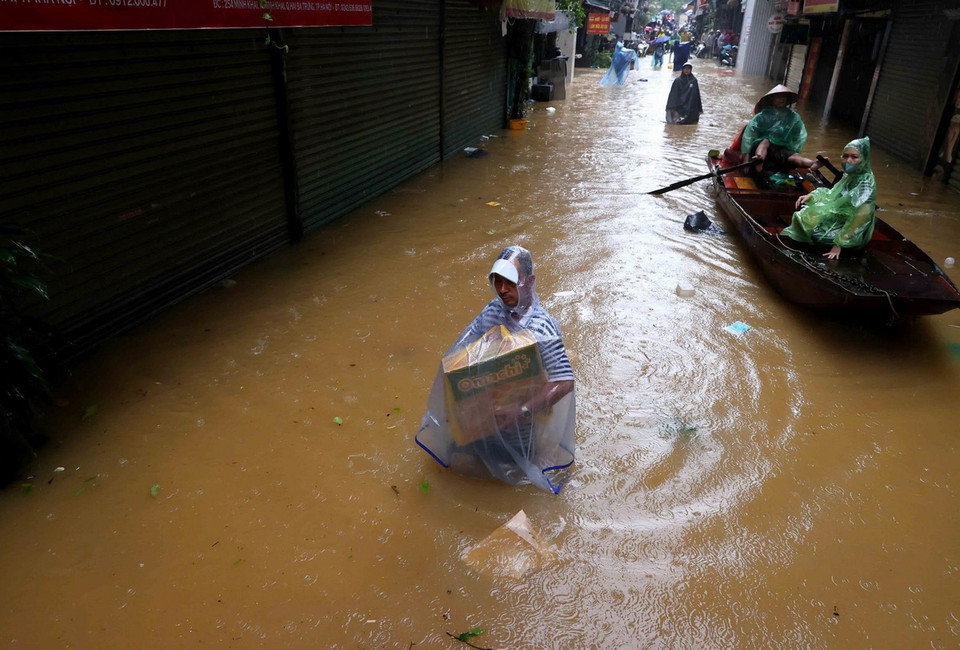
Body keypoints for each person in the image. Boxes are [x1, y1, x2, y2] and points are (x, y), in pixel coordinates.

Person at [415, 246, 576, 493]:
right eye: (497, 282)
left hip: (519, 429)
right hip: (480, 420)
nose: (502, 290)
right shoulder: (493, 311)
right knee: (458, 469)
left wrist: (522, 411)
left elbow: (564, 381)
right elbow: (462, 355)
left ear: (529, 281)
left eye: (510, 282)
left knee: (509, 482)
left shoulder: (543, 328)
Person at [780, 137, 877, 260]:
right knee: (804, 216)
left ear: (864, 159)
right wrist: (812, 196)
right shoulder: (850, 176)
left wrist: (839, 244)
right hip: (839, 217)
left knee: (814, 233)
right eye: (845, 156)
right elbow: (832, 194)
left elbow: (860, 218)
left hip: (850, 231)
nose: (848, 161)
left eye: (854, 157)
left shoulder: (866, 184)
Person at [739, 84, 820, 173]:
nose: (782, 99)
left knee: (794, 157)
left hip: (781, 149)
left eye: (783, 96)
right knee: (765, 141)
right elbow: (749, 137)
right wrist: (746, 157)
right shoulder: (762, 116)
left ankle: (812, 163)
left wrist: (792, 149)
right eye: (778, 96)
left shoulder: (794, 117)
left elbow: (799, 136)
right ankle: (759, 158)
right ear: (772, 99)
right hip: (762, 149)